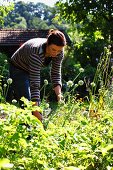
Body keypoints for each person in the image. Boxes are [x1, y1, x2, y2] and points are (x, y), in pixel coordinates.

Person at [7, 29, 67, 121]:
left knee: (35, 107)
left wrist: (59, 94)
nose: (55, 53)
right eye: (53, 49)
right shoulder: (36, 52)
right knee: (27, 104)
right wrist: (35, 112)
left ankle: (34, 129)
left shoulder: (59, 52)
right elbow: (35, 85)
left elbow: (55, 73)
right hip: (18, 68)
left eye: (58, 51)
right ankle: (27, 132)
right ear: (47, 43)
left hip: (30, 67)